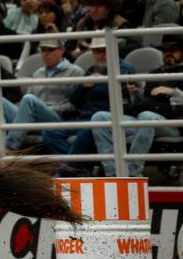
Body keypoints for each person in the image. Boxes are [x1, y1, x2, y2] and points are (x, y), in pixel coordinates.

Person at [95, 33, 183, 177]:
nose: (168, 54)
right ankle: (112, 174)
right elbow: (143, 102)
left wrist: (173, 92)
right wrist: (135, 94)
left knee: (147, 116)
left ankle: (132, 174)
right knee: (99, 117)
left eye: (173, 50)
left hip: (171, 124)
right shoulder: (154, 73)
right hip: (143, 118)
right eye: (165, 50)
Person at [0, 37, 85, 152]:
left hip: (57, 120)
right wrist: (22, 108)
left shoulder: (75, 72)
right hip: (33, 117)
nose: (46, 54)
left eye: (50, 50)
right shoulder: (38, 73)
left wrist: (48, 108)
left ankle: (9, 147)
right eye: (43, 50)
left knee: (29, 99)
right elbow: (26, 103)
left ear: (61, 50)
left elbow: (77, 104)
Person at [48, 35, 135, 163]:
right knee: (49, 133)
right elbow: (73, 98)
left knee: (84, 134)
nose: (101, 54)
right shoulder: (92, 69)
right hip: (84, 118)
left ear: (113, 49)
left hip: (107, 119)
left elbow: (121, 96)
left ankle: (67, 172)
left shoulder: (125, 69)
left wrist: (99, 83)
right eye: (97, 51)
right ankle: (77, 167)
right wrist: (84, 85)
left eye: (105, 50)